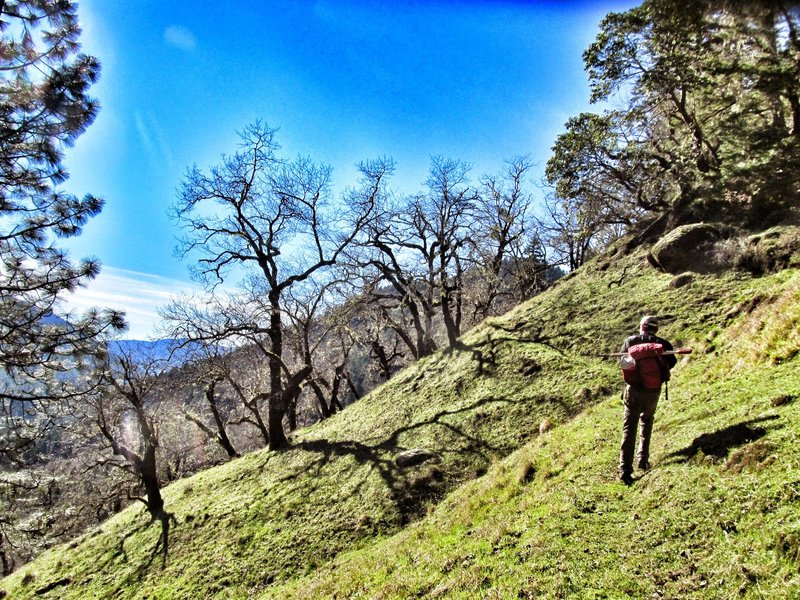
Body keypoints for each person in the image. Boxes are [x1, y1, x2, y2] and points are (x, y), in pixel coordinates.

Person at [618, 315, 677, 486]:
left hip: (634, 390)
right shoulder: (663, 345)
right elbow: (671, 363)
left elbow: (622, 362)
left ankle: (625, 469)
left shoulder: (630, 341)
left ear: (642, 327)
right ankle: (642, 460)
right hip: (654, 390)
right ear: (655, 329)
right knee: (647, 421)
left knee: (629, 428)